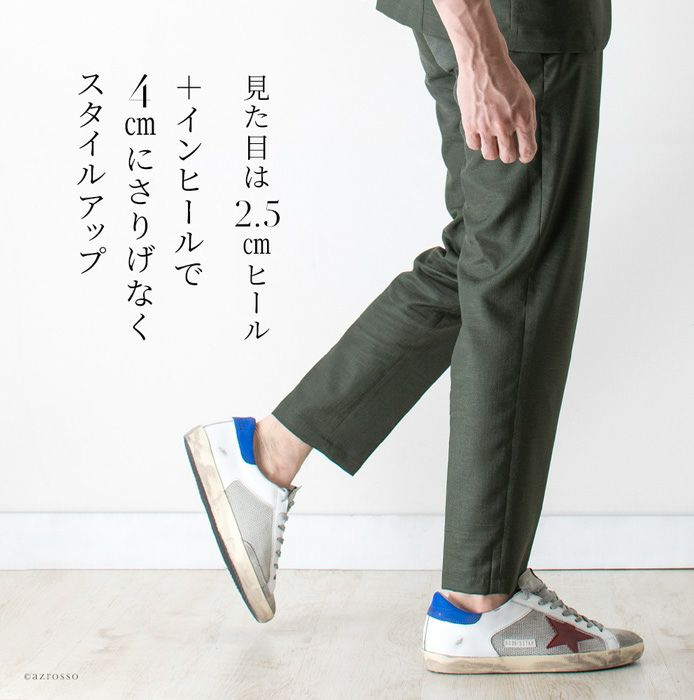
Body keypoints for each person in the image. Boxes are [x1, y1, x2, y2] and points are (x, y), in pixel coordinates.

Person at [184, 0, 645, 674]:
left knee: (487, 262)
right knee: (519, 282)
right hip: (517, 27)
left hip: (504, 27)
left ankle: (268, 451)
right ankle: (480, 603)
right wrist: (482, 50)